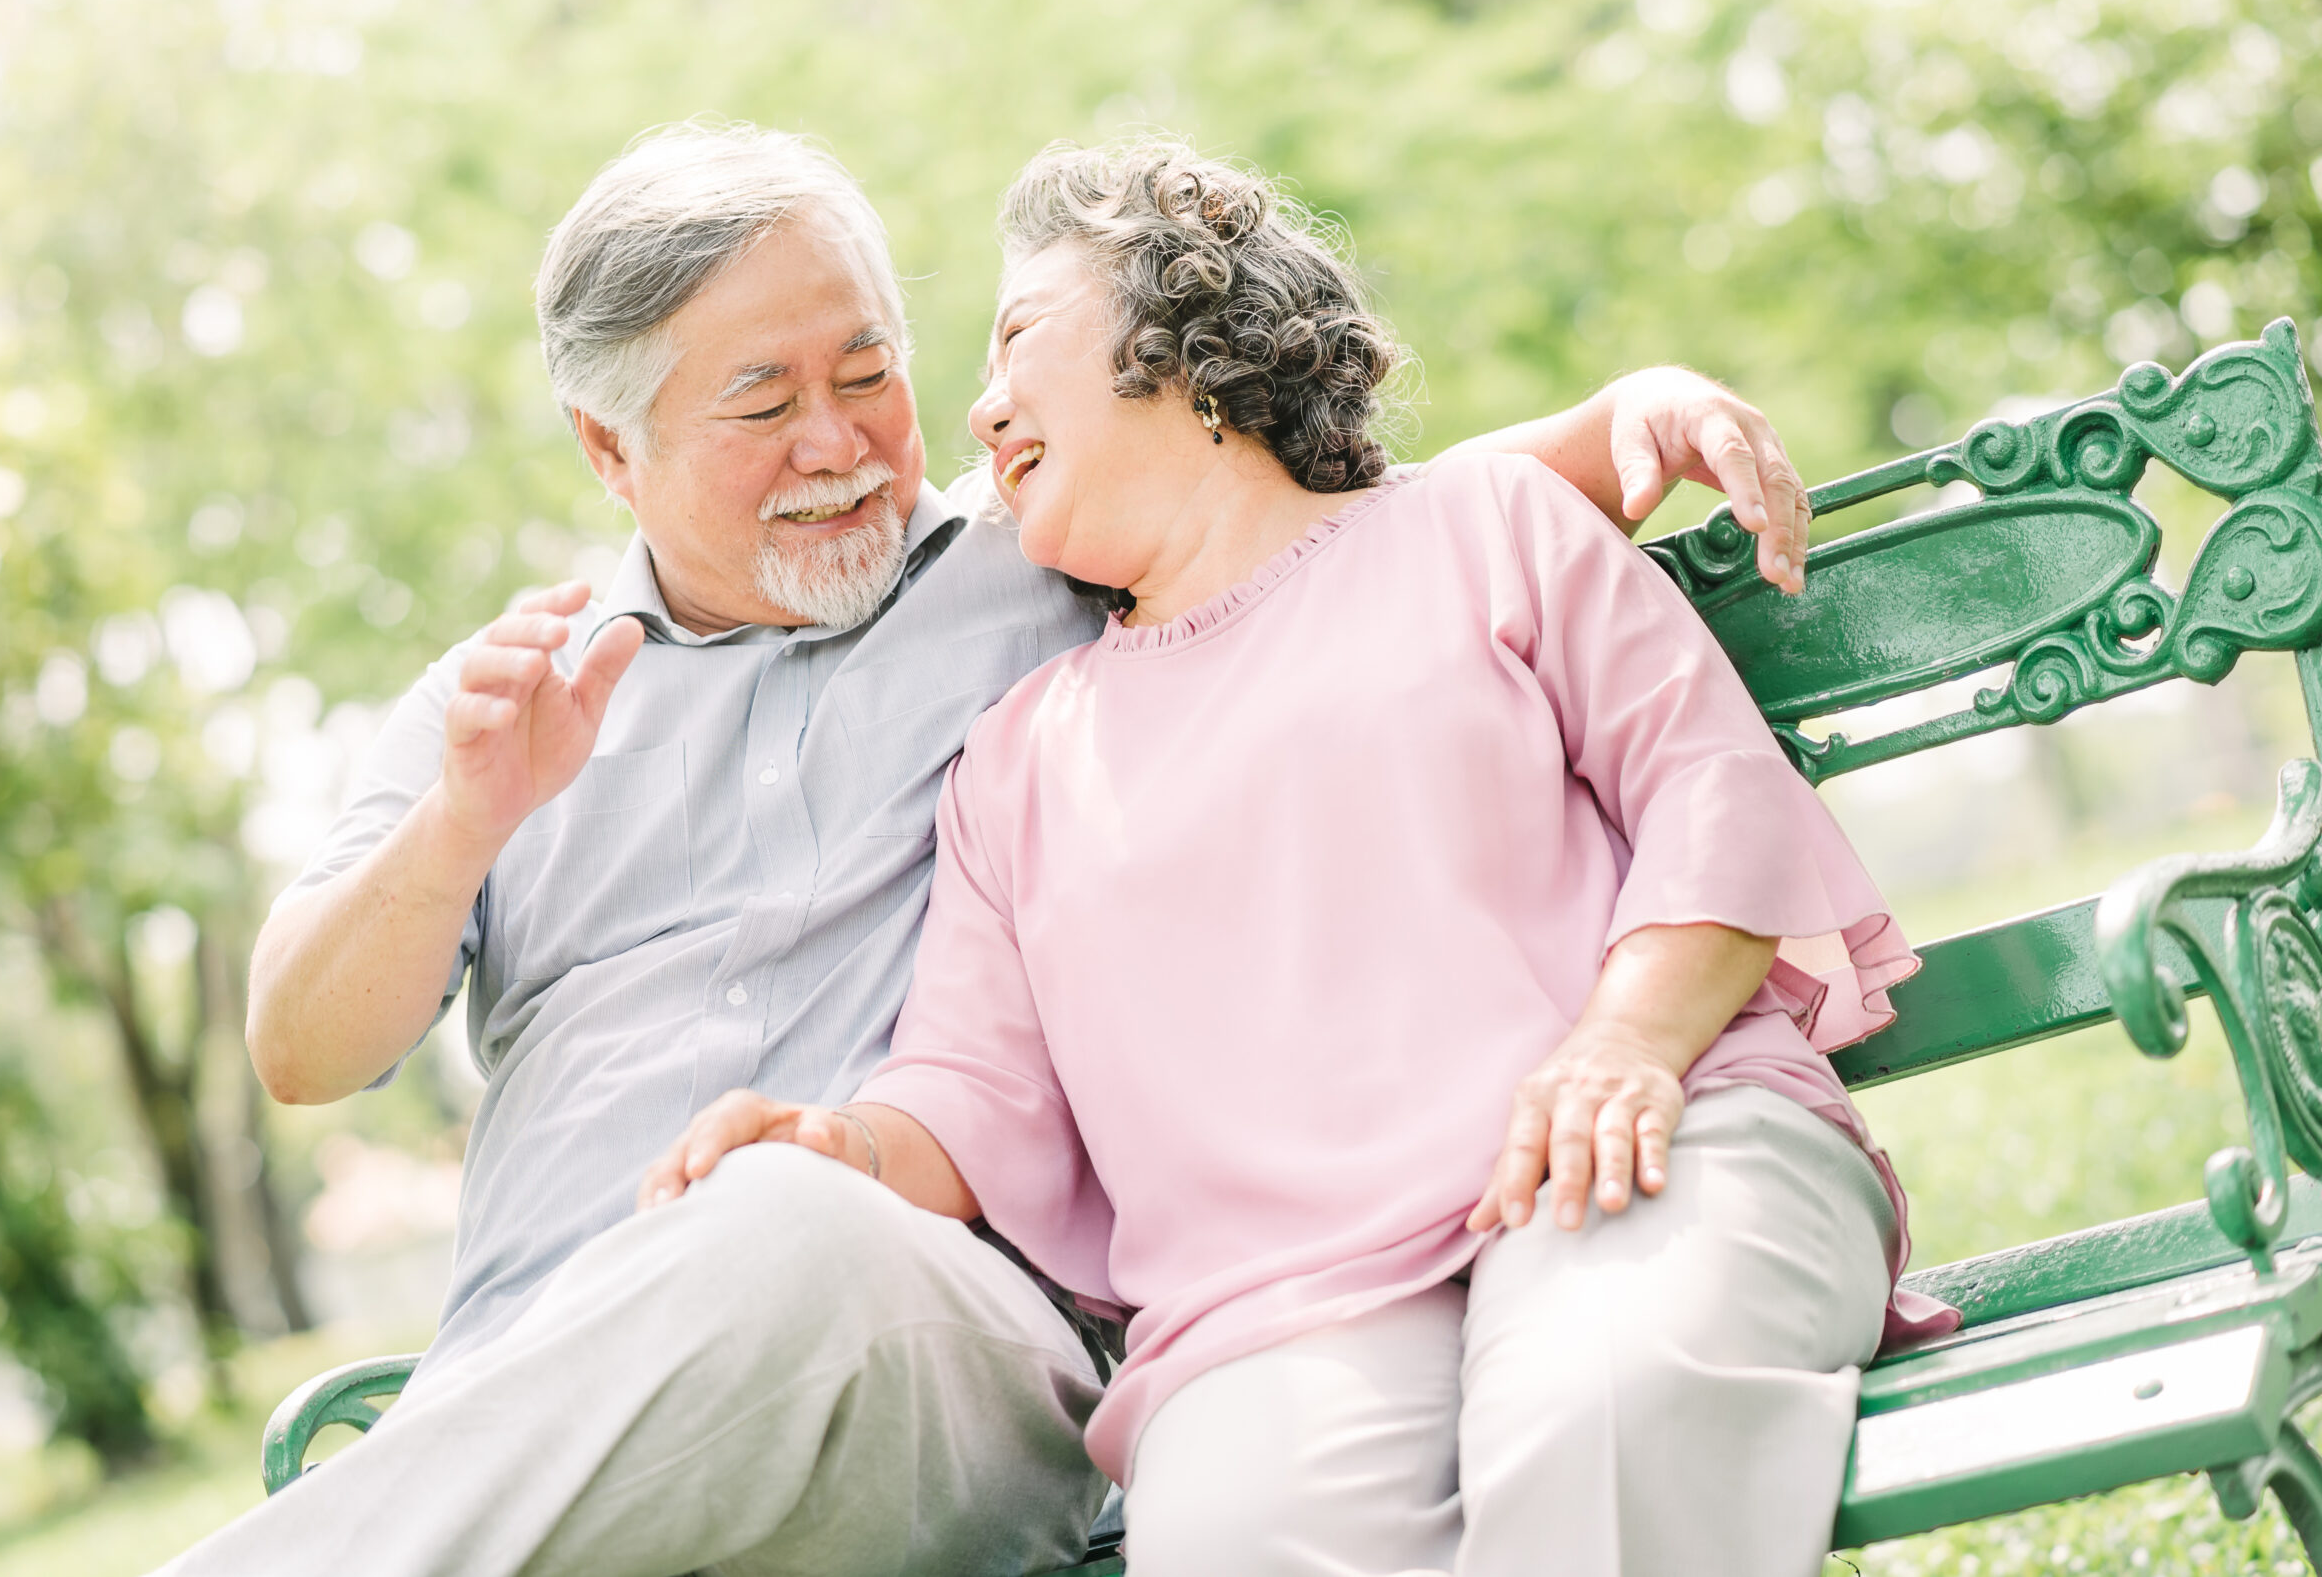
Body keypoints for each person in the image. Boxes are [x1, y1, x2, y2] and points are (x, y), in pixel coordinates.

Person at [156, 122, 1820, 1577]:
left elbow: (1316, 537)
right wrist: (464, 821)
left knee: (784, 1221)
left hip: (908, 1361)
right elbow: (304, 1048)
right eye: (761, 403)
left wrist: (1619, 421)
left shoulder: (1032, 573)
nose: (839, 442)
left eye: (867, 371)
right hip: (530, 1423)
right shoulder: (503, 702)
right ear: (611, 450)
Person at [641, 138, 1953, 1577]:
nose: (980, 403)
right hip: (1281, 1302)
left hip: (1645, 1135)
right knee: (1242, 1539)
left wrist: (1628, 1042)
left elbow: (1708, 788)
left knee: (1606, 1408)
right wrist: (834, 1149)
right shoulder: (1014, 759)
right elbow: (969, 1086)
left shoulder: (1485, 526)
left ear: (1182, 335)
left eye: (1016, 336)